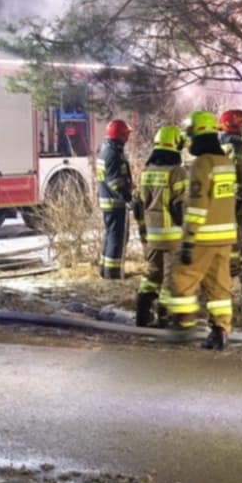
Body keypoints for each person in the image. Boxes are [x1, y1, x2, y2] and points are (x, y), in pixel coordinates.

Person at [168, 111, 240, 349]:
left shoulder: (202, 164)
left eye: (190, 134)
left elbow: (198, 205)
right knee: (219, 287)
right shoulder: (226, 163)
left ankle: (184, 325)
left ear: (198, 135)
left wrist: (188, 239)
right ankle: (220, 331)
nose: (188, 140)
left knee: (182, 278)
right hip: (225, 238)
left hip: (203, 236)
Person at [133, 125, 187, 327]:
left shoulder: (146, 172)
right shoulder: (177, 172)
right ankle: (164, 317)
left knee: (152, 273)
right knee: (171, 278)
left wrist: (144, 233)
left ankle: (142, 311)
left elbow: (138, 205)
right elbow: (180, 206)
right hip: (172, 235)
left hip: (152, 235)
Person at [94, 119, 133, 280]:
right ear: (121, 135)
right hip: (115, 203)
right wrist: (128, 198)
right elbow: (115, 182)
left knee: (111, 236)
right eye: (126, 134)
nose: (128, 137)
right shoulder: (113, 154)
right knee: (117, 238)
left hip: (109, 201)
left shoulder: (107, 150)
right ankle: (113, 273)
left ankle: (105, 270)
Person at [218, 110, 242, 263]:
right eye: (240, 124)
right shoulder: (235, 144)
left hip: (221, 195)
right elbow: (237, 169)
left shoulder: (220, 144)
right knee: (236, 229)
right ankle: (235, 262)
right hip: (235, 195)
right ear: (232, 125)